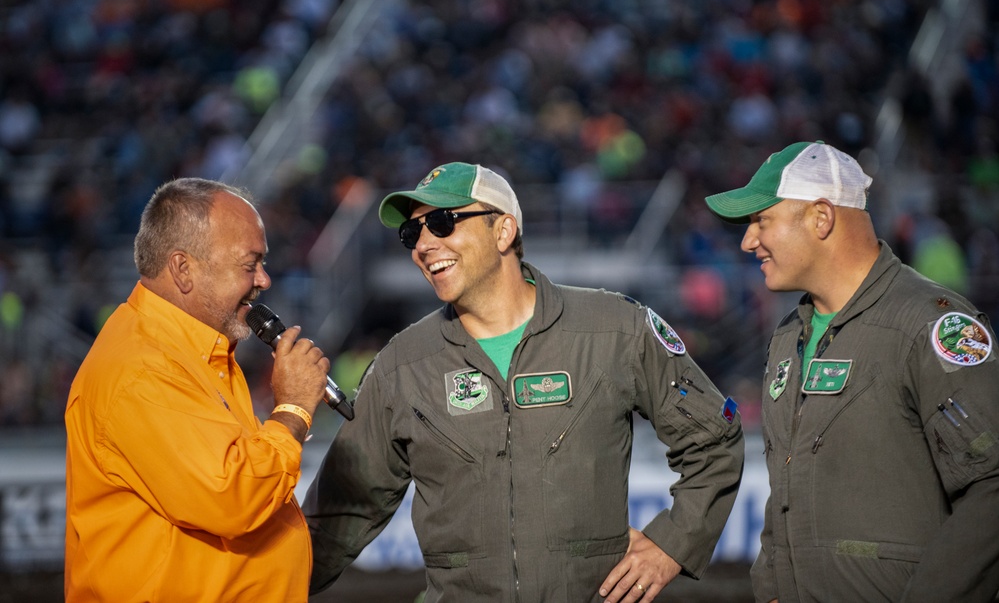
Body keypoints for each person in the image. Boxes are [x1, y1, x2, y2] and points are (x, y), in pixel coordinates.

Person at [304, 162, 745, 602]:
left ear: (504, 231)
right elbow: (338, 514)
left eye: (441, 222)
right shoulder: (402, 364)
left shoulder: (616, 329)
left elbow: (714, 439)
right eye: (411, 233)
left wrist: (673, 543)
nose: (423, 244)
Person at [704, 141, 999, 602]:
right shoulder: (787, 337)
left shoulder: (930, 326)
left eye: (762, 220)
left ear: (821, 218)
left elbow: (991, 487)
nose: (747, 241)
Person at [64, 178, 331, 601]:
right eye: (250, 264)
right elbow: (235, 497)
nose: (264, 279)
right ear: (183, 269)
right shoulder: (142, 369)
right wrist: (294, 409)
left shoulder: (191, 353)